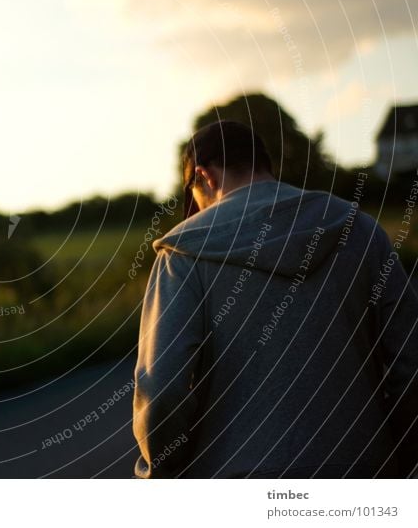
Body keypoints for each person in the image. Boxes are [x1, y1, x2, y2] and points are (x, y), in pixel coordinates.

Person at [132, 120, 418, 478]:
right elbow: (410, 361)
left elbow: (162, 390)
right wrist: (399, 454)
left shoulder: (184, 253)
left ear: (204, 177)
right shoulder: (358, 228)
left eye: (193, 197)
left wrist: (158, 472)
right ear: (265, 165)